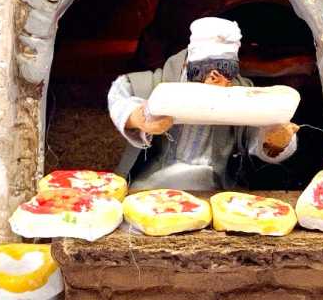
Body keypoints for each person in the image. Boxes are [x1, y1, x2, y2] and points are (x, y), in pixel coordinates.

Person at [108, 17, 299, 191]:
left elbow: (255, 132)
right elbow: (121, 90)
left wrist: (273, 139)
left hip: (212, 182)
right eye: (206, 71)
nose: (216, 79)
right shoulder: (166, 83)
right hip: (156, 176)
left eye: (226, 71)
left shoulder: (239, 93)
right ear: (187, 65)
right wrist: (139, 117)